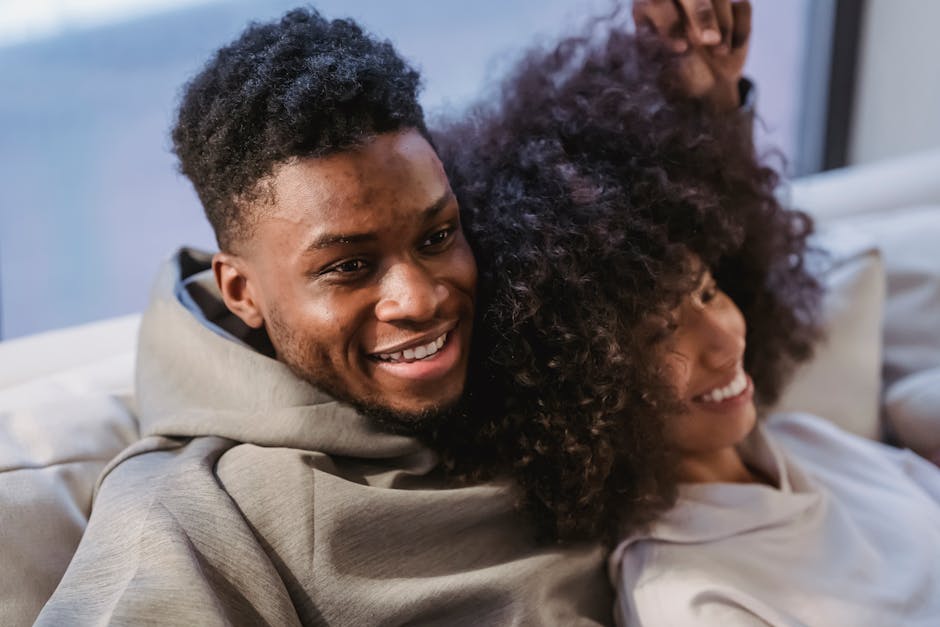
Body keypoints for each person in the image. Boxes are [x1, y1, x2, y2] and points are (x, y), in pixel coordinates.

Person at [36, 2, 749, 625]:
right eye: (349, 266)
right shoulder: (189, 518)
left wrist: (706, 105)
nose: (421, 298)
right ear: (241, 291)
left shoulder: (523, 351)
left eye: (437, 236)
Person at [438, 4, 940, 627]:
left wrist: (713, 96)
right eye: (660, 331)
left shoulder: (802, 440)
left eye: (706, 291)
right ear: (581, 389)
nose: (725, 341)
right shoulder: (694, 600)